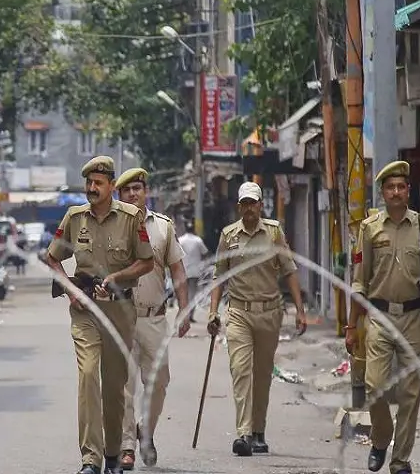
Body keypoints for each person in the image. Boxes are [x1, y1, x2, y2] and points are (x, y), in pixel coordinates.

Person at [44, 156, 154, 474]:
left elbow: (146, 262)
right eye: (89, 183)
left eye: (98, 183)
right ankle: (90, 458)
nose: (92, 189)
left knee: (115, 385)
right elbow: (52, 258)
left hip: (120, 309)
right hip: (86, 310)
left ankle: (113, 454)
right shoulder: (74, 217)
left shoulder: (132, 217)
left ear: (111, 186)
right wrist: (70, 290)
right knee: (89, 374)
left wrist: (118, 278)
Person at [345, 161, 420, 474]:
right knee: (375, 386)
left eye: (401, 187)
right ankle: (381, 438)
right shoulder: (369, 228)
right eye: (390, 187)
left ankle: (401, 460)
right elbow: (359, 282)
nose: (395, 192)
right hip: (378, 317)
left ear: (408, 191)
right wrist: (352, 327)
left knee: (410, 392)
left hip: (415, 317)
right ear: (382, 192)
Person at [207, 182, 307, 457]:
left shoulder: (274, 232)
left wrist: (299, 310)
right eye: (244, 204)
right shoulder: (228, 235)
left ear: (260, 205)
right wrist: (213, 312)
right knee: (240, 371)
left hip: (269, 312)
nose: (249, 208)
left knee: (262, 374)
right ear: (239, 206)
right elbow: (219, 276)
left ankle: (259, 431)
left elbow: (289, 270)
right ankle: (244, 434)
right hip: (238, 312)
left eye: (253, 203)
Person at [114, 168, 190, 470]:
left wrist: (184, 310)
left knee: (158, 383)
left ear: (147, 191)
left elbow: (179, 272)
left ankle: (146, 431)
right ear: (120, 195)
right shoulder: (112, 228)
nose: (133, 194)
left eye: (138, 188)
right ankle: (127, 447)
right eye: (127, 190)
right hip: (121, 318)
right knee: (124, 386)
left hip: (154, 318)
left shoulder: (163, 227)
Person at [177, 223, 207, 323]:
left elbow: (176, 254)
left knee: (183, 294)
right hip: (195, 271)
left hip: (183, 271)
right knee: (192, 294)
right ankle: (190, 315)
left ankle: (184, 315)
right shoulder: (198, 240)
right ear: (194, 229)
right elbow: (204, 253)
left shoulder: (181, 240)